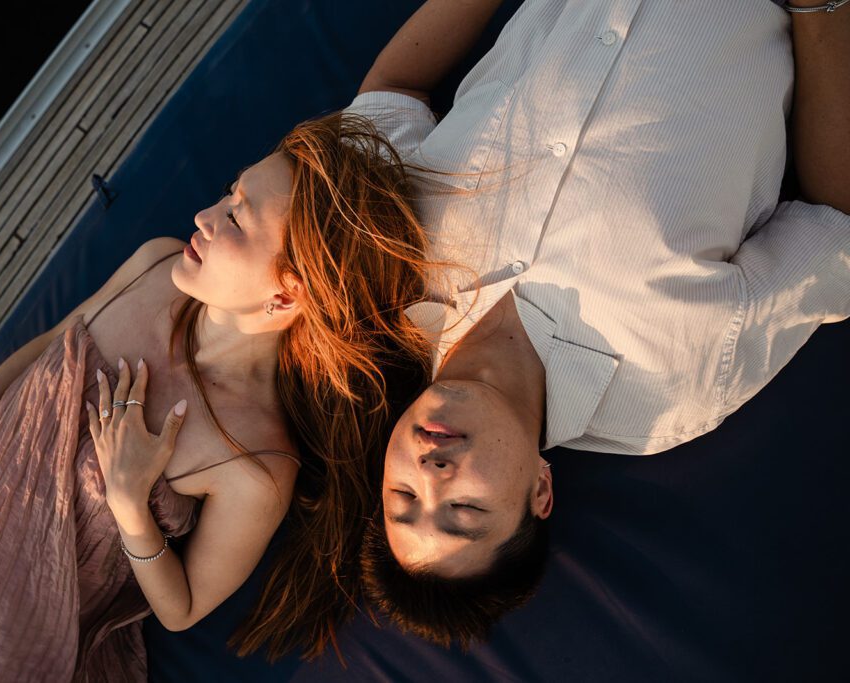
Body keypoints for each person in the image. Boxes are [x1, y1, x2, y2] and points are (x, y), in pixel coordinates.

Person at [0, 113, 432, 680]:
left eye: (237, 219)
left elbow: (183, 608)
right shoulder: (156, 264)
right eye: (230, 194)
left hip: (26, 640)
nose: (204, 215)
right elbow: (50, 345)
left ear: (284, 298)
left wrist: (129, 505)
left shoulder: (254, 464)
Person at [348, 0, 850, 648]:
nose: (431, 471)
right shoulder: (674, 379)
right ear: (539, 490)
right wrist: (819, 9)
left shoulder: (396, 264)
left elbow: (386, 100)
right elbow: (837, 228)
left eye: (403, 499)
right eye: (464, 510)